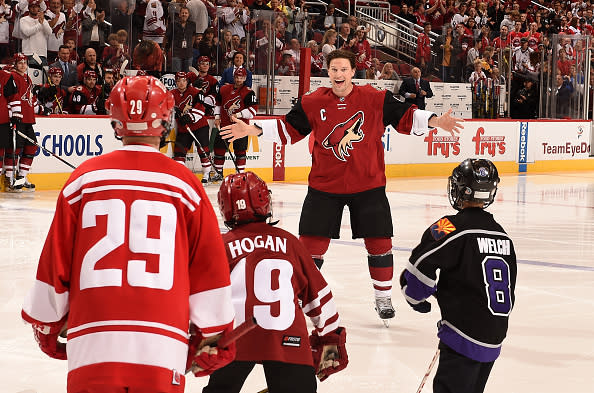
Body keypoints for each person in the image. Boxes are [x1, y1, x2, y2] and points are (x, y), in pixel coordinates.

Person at [21, 75, 236, 393]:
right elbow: (210, 271)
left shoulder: (84, 179)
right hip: (163, 346)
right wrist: (215, 335)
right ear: (165, 118)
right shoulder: (185, 185)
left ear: (115, 120)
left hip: (91, 345)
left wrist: (47, 327)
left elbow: (55, 265)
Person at [219, 49, 463, 325]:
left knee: (380, 244)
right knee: (311, 247)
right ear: (328, 72)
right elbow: (289, 130)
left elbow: (407, 116)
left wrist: (435, 121)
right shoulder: (312, 101)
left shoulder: (373, 97)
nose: (338, 75)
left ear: (352, 72)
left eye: (343, 70)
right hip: (325, 187)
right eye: (334, 69)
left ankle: (383, 298)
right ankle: (302, 296)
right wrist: (256, 130)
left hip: (368, 185)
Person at [202, 171, 348, 393]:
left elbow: (202, 299)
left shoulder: (220, 246)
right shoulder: (289, 243)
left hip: (234, 341)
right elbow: (319, 297)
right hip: (288, 340)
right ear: (264, 201)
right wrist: (330, 343)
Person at [400, 158, 516, 393]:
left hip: (463, 335)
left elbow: (416, 272)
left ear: (460, 189)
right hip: (494, 338)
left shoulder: (450, 226)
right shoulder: (503, 236)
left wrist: (416, 298)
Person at [5, 53, 49, 192]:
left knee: (31, 147)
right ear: (15, 64)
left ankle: (22, 178)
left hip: (28, 119)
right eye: (20, 62)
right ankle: (10, 178)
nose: (23, 65)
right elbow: (10, 98)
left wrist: (42, 109)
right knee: (15, 149)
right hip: (18, 118)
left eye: (24, 62)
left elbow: (30, 100)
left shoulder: (28, 79)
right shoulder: (12, 77)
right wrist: (11, 115)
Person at [213, 67, 257, 176]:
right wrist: (217, 117)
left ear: (245, 78)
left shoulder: (249, 92)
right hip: (225, 125)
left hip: (241, 127)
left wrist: (238, 114)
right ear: (234, 77)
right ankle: (218, 174)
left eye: (241, 77)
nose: (238, 80)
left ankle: (240, 174)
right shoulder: (224, 89)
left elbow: (252, 111)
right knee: (219, 149)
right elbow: (218, 103)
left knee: (240, 151)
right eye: (237, 77)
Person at [171, 71, 213, 183]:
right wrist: (173, 113)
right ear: (175, 82)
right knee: (179, 151)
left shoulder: (195, 92)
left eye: (183, 80)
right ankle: (180, 175)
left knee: (203, 150)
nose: (181, 83)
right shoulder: (171, 94)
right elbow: (165, 108)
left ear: (187, 81)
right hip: (184, 128)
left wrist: (189, 117)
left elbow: (201, 110)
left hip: (200, 126)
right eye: (179, 81)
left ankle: (206, 174)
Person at [20, 0, 52, 67]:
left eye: (36, 7)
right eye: (32, 7)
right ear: (29, 8)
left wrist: (43, 22)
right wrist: (40, 24)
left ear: (39, 8)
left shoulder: (43, 20)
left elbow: (49, 32)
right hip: (29, 53)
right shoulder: (23, 20)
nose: (34, 9)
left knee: (43, 77)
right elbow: (27, 32)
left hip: (42, 54)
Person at [165, 5, 196, 72]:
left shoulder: (192, 24)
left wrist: (190, 45)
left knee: (188, 75)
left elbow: (193, 36)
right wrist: (164, 48)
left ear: (188, 15)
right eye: (182, 13)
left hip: (188, 53)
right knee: (176, 74)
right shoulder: (173, 24)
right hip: (177, 53)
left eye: (186, 13)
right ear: (179, 14)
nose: (184, 14)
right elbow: (167, 37)